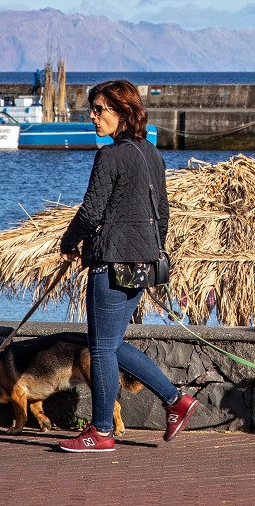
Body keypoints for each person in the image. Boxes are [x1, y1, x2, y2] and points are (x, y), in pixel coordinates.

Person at [58, 79, 197, 453]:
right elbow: (163, 214)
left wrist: (68, 243)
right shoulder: (152, 154)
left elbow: (90, 212)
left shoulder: (110, 156)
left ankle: (101, 431)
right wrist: (150, 250)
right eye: (93, 109)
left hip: (111, 262)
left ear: (122, 112)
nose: (92, 116)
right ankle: (175, 399)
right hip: (144, 264)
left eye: (99, 109)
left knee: (101, 349)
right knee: (111, 343)